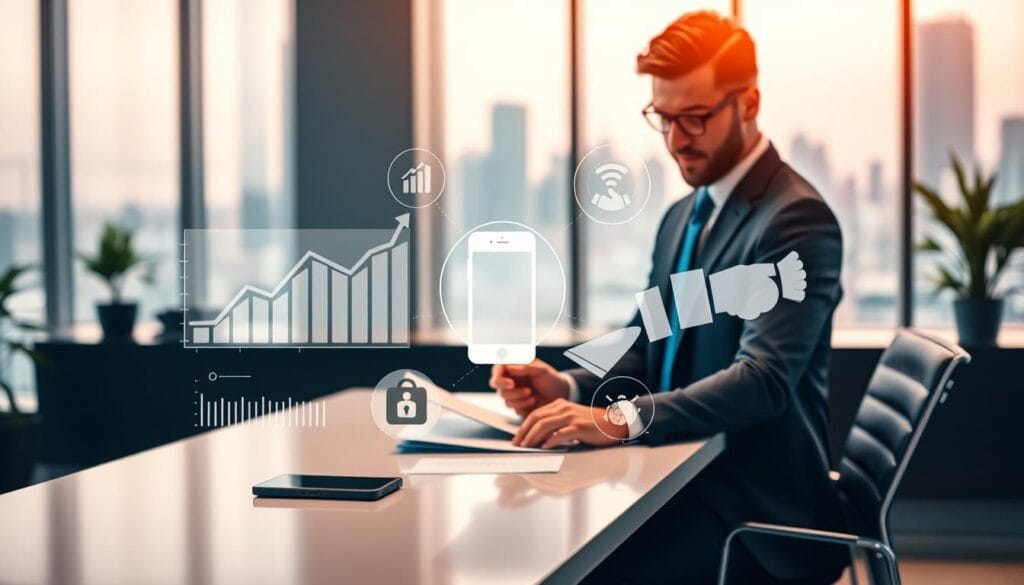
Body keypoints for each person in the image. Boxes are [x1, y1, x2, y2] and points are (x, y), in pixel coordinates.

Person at [489, 10, 847, 584]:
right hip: (678, 480)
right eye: (664, 118)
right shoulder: (682, 216)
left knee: (582, 569)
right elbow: (646, 342)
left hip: (750, 514)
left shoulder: (795, 220)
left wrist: (617, 419)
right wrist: (568, 385)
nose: (677, 140)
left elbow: (763, 380)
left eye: (696, 118)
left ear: (749, 103)